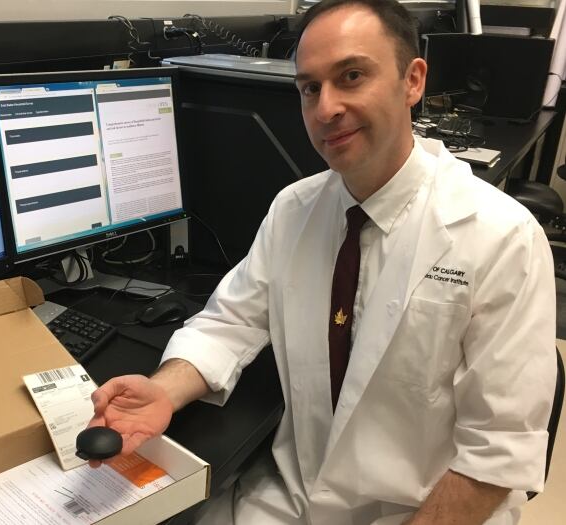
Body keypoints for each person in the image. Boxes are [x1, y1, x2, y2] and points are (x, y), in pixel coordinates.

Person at [88, 1, 557, 523]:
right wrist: (163, 391)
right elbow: (231, 321)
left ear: (412, 80)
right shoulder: (296, 209)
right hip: (292, 497)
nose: (326, 107)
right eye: (310, 88)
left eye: (351, 76)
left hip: (421, 511)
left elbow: (496, 454)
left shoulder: (501, 237)